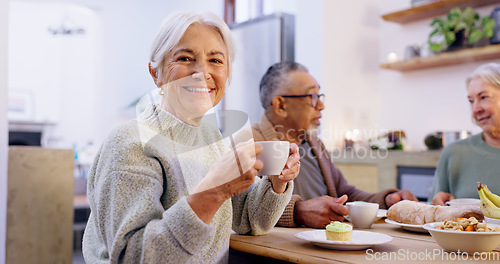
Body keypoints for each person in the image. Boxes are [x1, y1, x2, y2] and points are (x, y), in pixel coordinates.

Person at [82, 12, 301, 263]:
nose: (202, 72)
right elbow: (133, 256)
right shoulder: (130, 143)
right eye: (185, 58)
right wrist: (212, 193)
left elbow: (246, 221)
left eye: (216, 60)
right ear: (156, 73)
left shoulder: (209, 134)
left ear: (227, 75)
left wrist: (276, 183)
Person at [252, 61, 418, 228]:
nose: (322, 106)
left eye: (319, 96)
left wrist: (386, 200)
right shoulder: (249, 143)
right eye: (312, 97)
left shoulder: (314, 143)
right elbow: (245, 208)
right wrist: (298, 211)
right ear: (281, 105)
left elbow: (345, 194)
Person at [430, 63, 500, 205]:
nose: (475, 109)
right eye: (471, 101)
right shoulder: (454, 153)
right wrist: (437, 206)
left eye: (484, 97)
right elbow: (433, 212)